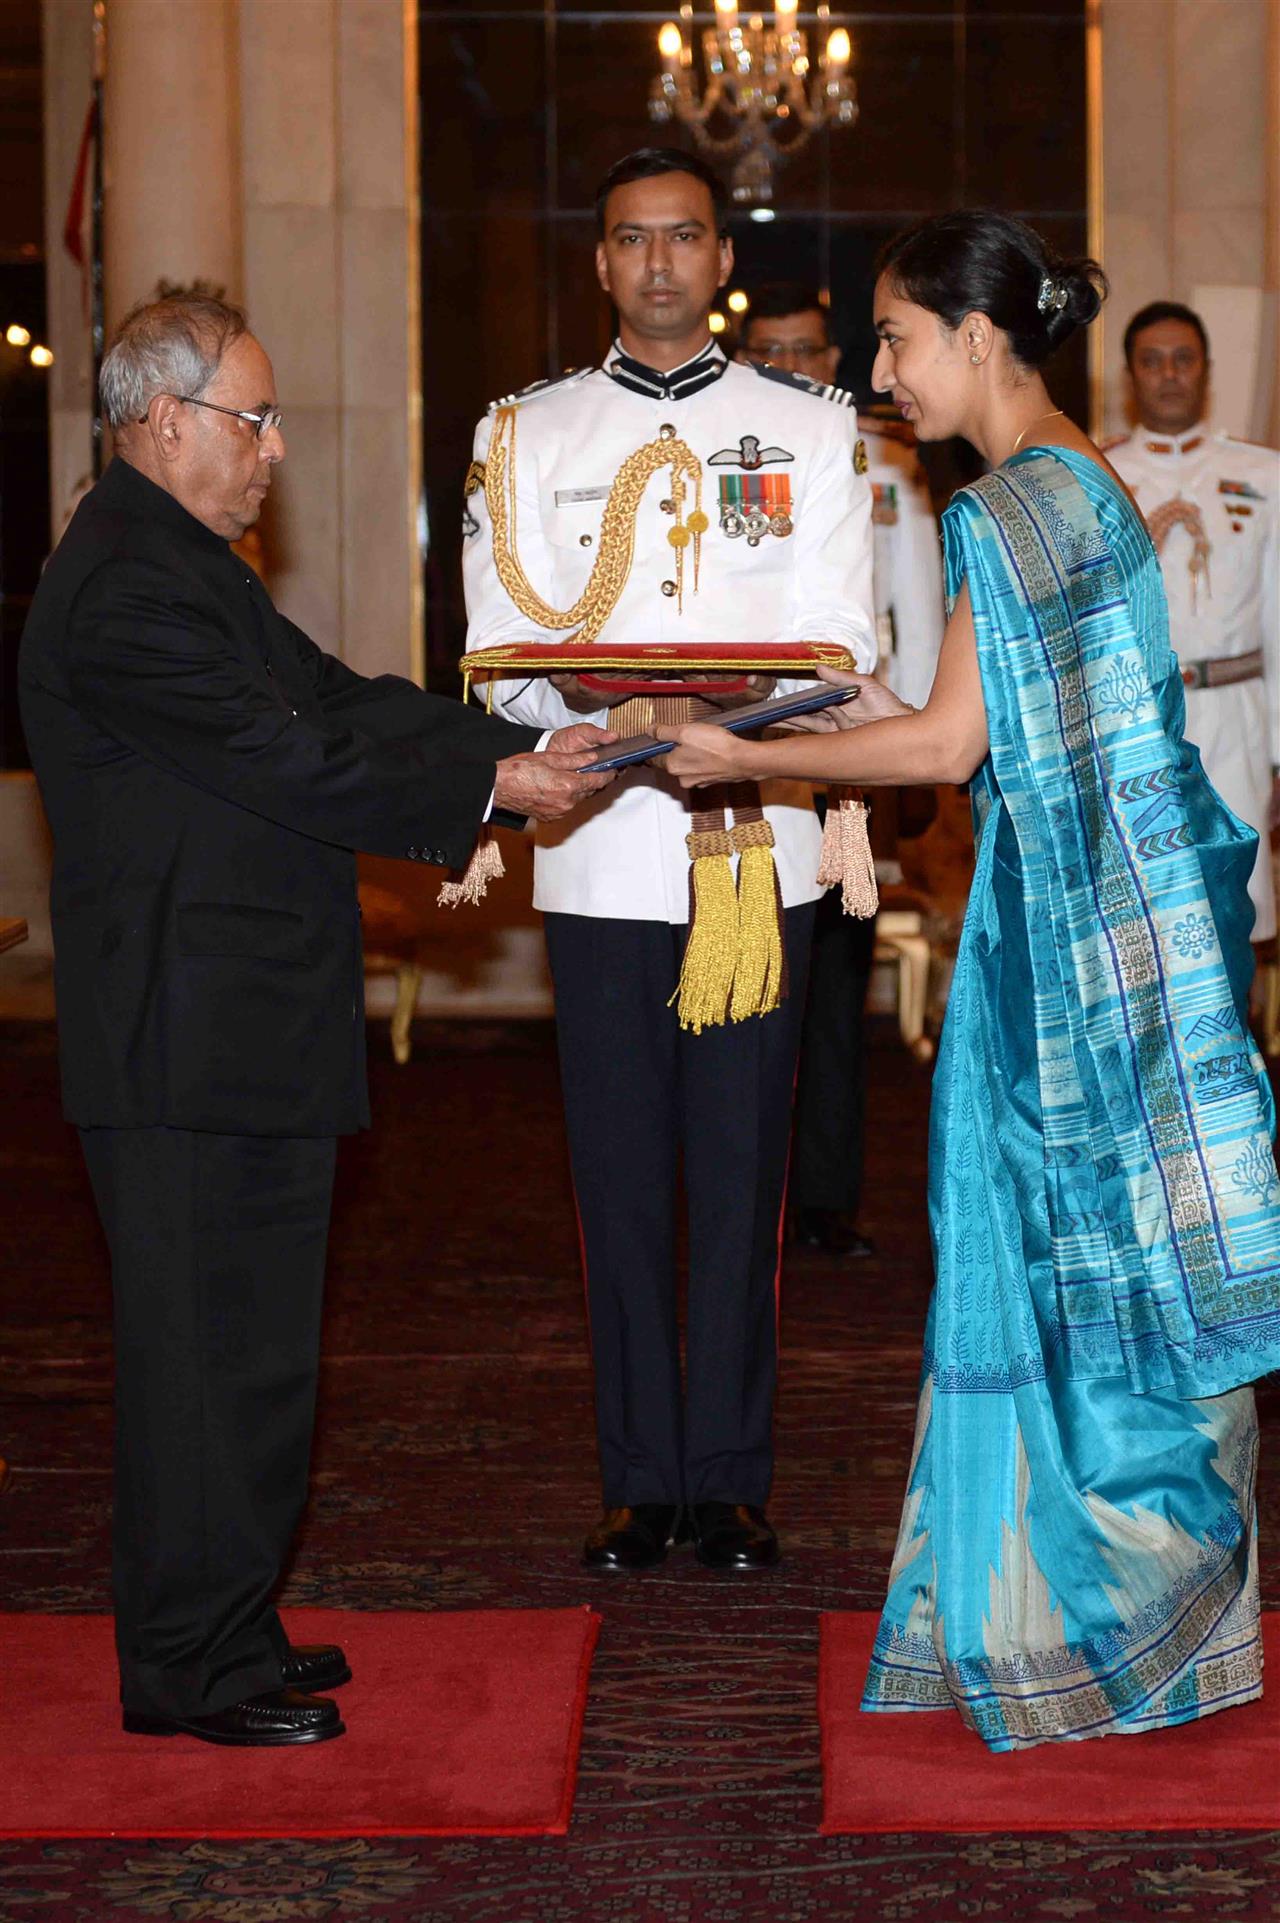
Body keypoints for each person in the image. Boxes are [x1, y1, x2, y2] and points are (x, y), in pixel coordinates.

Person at [665, 211, 1280, 1747]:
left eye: (896, 338)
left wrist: (747, 750)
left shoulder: (1003, 510)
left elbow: (949, 756)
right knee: (1120, 1248)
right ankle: (1147, 1596)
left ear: (978, 336)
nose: (884, 370)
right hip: (1134, 932)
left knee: (1039, 1237)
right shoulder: (1085, 482)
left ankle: (1065, 1603)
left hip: (1052, 950)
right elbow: (973, 713)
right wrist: (851, 703)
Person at [18, 295, 615, 1748]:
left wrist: (518, 743)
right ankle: (184, 1664)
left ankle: (233, 1624)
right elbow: (290, 760)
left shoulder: (184, 566)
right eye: (255, 418)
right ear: (168, 424)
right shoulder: (122, 585)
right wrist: (492, 796)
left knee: (261, 1353)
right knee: (199, 1360)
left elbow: (341, 698)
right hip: (181, 1043)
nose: (275, 447)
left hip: (244, 1028)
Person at [463, 150, 876, 1574]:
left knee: (744, 1176)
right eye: (631, 240)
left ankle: (733, 1476)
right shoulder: (527, 433)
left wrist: (702, 719)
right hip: (597, 858)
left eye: (682, 237)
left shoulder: (810, 430)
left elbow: (842, 649)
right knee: (621, 1179)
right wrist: (622, 714)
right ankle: (642, 1477)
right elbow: (497, 664)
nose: (656, 263)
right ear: (600, 264)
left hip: (749, 852)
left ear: (720, 260)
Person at [738, 284, 944, 1258]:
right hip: (745, 756)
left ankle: (819, 1200)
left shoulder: (889, 469)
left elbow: (909, 628)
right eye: (765, 351)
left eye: (802, 351)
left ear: (829, 361)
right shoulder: (723, 458)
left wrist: (891, 775)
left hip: (849, 768)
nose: (785, 368)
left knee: (829, 991)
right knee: (743, 977)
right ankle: (743, 1195)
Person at [1106, 302, 1278, 948]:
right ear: (1131, 375)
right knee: (1144, 916)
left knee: (1237, 914)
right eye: (1152, 361)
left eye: (1183, 359)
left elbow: (1278, 615)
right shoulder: (1100, 472)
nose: (1169, 374)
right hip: (1137, 720)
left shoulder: (1265, 476)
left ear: (1205, 370)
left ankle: (1240, 1048)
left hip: (1237, 715)